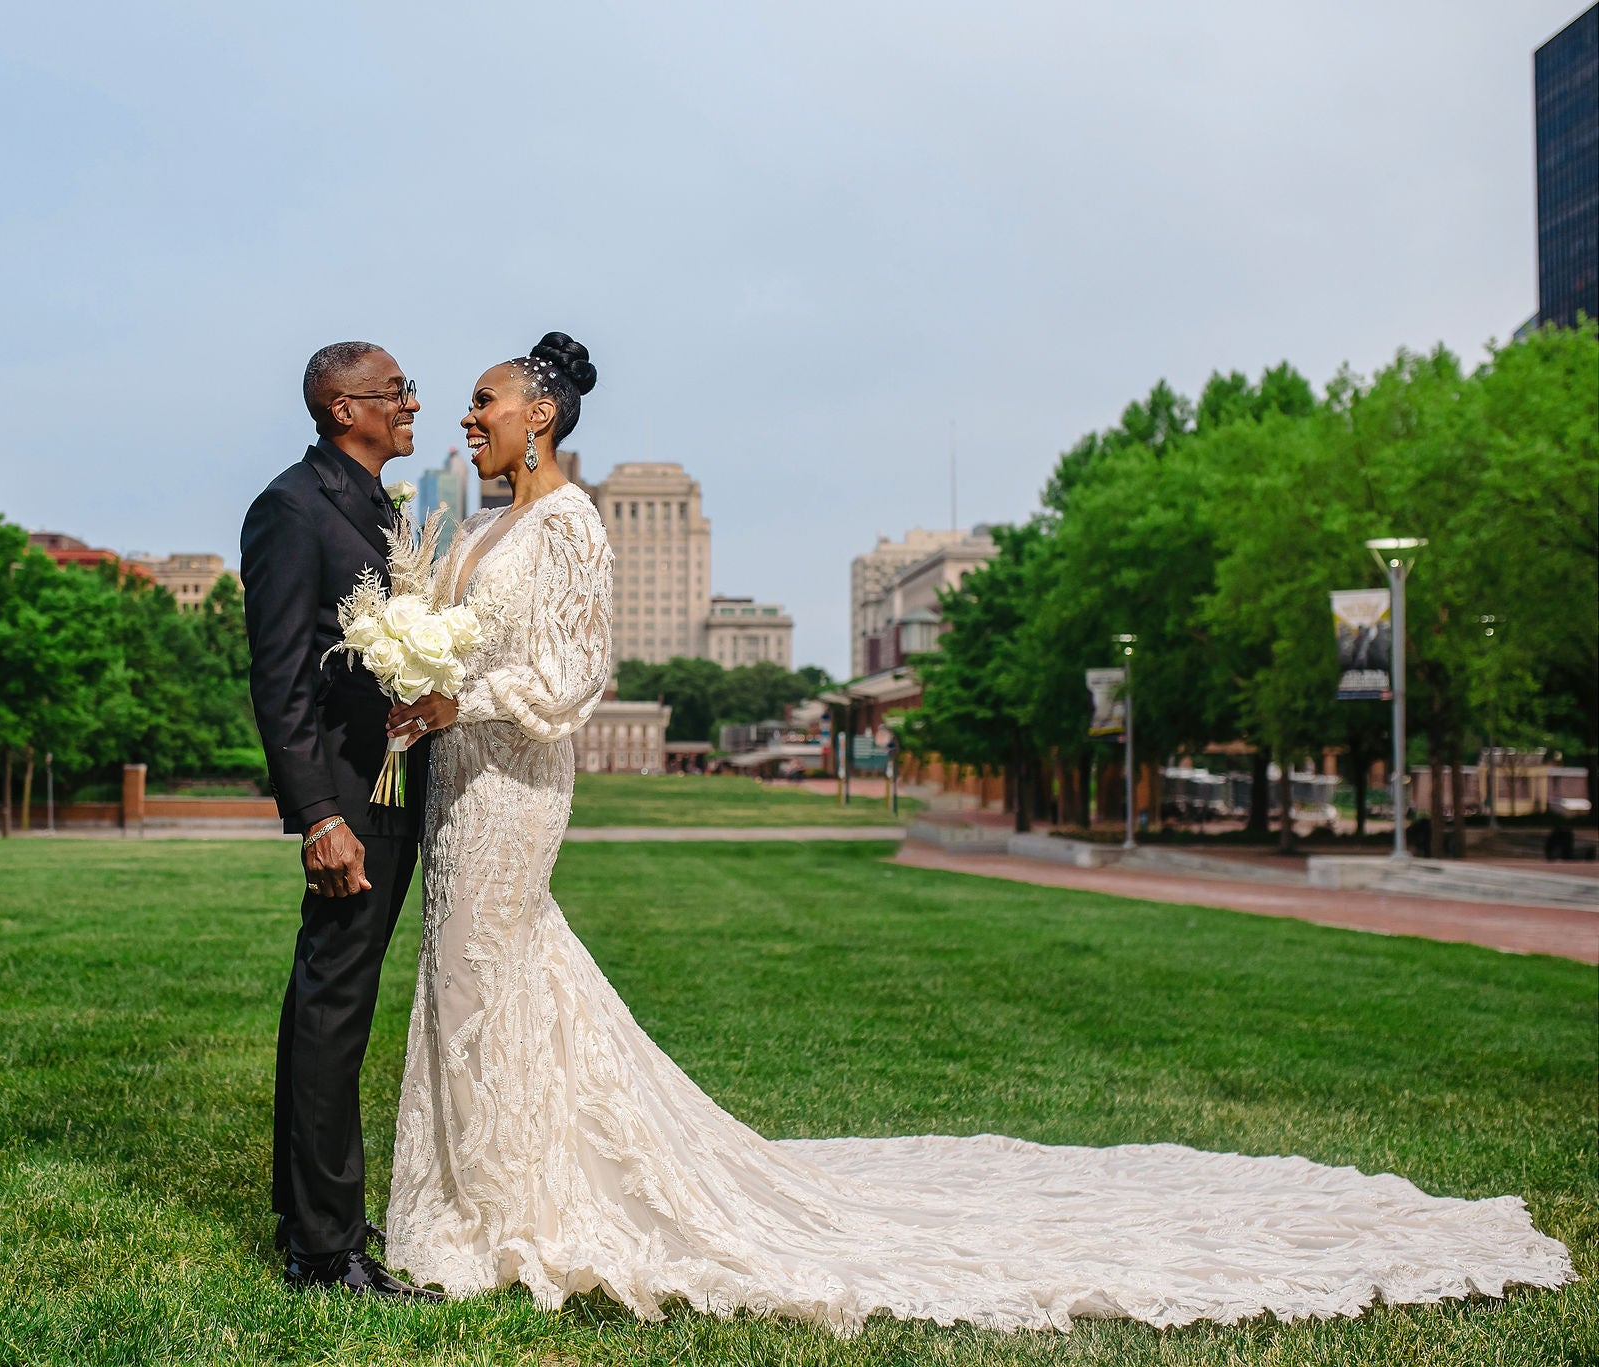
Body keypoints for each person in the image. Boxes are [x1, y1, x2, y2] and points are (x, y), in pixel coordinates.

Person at [376, 332, 1573, 1333]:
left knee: (495, 963)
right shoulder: (478, 533)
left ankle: (511, 1207)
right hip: (456, 781)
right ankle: (485, 1192)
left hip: (517, 779)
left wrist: (456, 693)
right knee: (476, 970)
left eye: (480, 402)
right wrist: (412, 668)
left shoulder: (576, 523)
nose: (464, 420)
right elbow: (472, 640)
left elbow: (577, 674)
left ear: (538, 413)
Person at [239, 342, 440, 1300]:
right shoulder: (289, 507)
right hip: (349, 801)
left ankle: (314, 1217)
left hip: (398, 784)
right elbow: (278, 678)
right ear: (342, 407)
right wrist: (319, 813)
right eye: (397, 391)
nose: (413, 402)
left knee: (335, 1007)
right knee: (332, 1009)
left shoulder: (380, 508)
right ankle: (325, 1252)